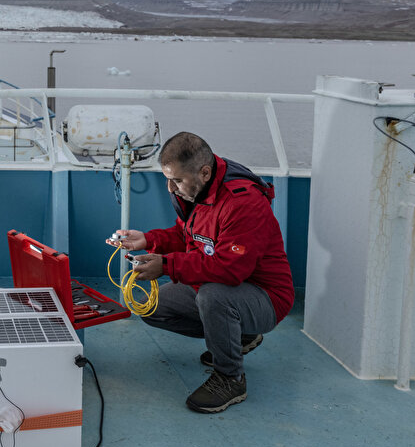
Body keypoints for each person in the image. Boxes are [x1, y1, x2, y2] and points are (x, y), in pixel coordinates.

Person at [111, 131, 294, 413]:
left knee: (214, 296)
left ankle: (230, 377)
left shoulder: (242, 203)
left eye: (177, 181)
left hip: (266, 297)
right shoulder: (197, 190)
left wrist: (167, 265)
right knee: (152, 307)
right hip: (228, 288)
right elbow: (188, 235)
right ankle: (239, 336)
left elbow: (230, 269)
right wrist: (148, 239)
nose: (171, 188)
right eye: (168, 180)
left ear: (205, 172)